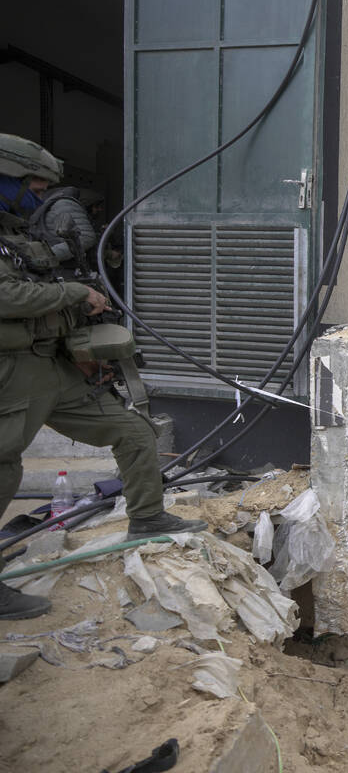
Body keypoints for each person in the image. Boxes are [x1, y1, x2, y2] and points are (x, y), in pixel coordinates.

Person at [0, 135, 206, 621]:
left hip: (52, 366)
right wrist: (72, 293)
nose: (38, 195)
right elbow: (8, 298)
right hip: (12, 373)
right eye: (31, 184)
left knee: (132, 429)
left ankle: (147, 517)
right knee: (4, 470)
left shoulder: (14, 235)